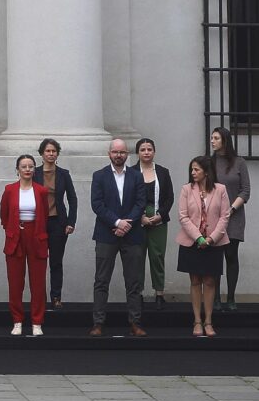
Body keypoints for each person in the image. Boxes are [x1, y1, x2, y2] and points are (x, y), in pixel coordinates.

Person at [89, 138, 147, 338]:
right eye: (115, 152)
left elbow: (141, 203)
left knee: (134, 282)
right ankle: (98, 323)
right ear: (109, 154)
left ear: (127, 154)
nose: (118, 155)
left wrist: (126, 224)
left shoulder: (137, 176)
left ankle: (135, 323)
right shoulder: (99, 176)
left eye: (122, 152)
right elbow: (97, 204)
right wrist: (117, 222)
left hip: (132, 235)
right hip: (106, 234)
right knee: (101, 281)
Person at [177, 155, 230, 338]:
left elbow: (224, 216)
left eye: (196, 169)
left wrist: (211, 238)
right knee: (195, 281)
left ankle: (208, 320)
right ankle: (197, 320)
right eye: (191, 169)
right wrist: (199, 238)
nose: (193, 173)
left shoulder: (220, 189)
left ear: (206, 172)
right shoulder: (186, 189)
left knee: (209, 281)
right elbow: (183, 216)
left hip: (214, 242)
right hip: (192, 241)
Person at [0, 155, 50, 336]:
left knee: (38, 283)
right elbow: (4, 215)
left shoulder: (41, 191)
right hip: (16, 237)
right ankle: (17, 321)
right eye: (24, 166)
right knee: (15, 282)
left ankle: (37, 322)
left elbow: (45, 215)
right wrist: (13, 230)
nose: (27, 169)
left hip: (36, 237)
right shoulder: (10, 190)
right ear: (17, 170)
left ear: (34, 169)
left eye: (30, 166)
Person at [211, 126, 251, 312]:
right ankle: (215, 297)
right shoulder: (209, 162)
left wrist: (232, 208)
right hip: (213, 216)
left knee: (231, 255)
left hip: (234, 215)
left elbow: (245, 190)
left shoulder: (239, 162)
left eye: (216, 138)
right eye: (212, 138)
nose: (212, 141)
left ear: (225, 141)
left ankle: (231, 297)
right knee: (215, 257)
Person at [37, 138, 79, 309]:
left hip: (58, 223)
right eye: (48, 151)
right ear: (42, 154)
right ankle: (39, 297)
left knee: (56, 262)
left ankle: (56, 297)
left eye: (54, 151)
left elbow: (72, 199)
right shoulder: (34, 173)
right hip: (39, 223)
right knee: (38, 262)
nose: (51, 154)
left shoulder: (64, 174)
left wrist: (71, 222)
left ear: (57, 154)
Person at [136, 138, 175, 310]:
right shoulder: (131, 172)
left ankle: (159, 293)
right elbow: (128, 198)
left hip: (159, 220)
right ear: (137, 152)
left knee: (157, 256)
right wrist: (140, 217)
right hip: (137, 221)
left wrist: (161, 215)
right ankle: (137, 294)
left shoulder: (163, 172)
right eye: (143, 149)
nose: (146, 152)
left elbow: (169, 197)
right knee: (137, 257)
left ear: (154, 152)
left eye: (149, 149)